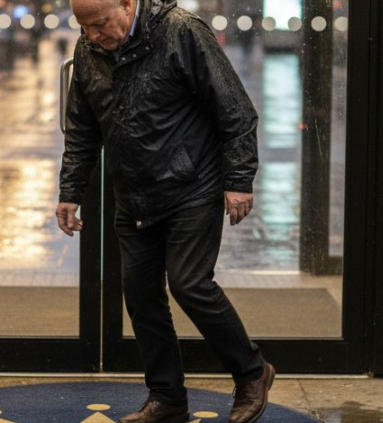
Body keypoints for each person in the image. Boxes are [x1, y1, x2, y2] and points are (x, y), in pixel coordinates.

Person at [54, 0, 274, 420]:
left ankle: (251, 372)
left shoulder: (180, 31)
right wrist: (70, 192)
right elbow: (82, 127)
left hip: (193, 183)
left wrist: (239, 180)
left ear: (126, 4)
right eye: (84, 27)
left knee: (190, 284)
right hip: (134, 190)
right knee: (140, 294)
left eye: (100, 24)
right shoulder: (88, 49)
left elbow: (236, 110)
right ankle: (167, 397)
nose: (93, 35)